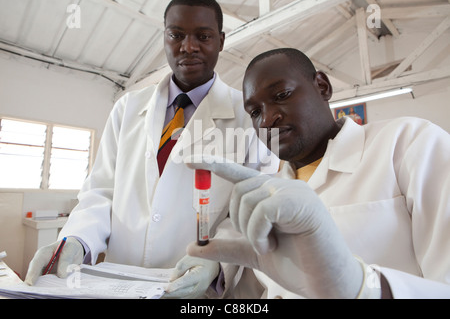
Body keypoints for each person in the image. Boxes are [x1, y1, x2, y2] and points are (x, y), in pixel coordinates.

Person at [24, 0, 278, 299]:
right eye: (176, 34)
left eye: (203, 36)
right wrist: (78, 240)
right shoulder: (127, 108)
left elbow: (253, 206)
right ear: (164, 37)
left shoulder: (250, 115)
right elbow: (100, 192)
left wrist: (217, 259)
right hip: (118, 282)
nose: (188, 47)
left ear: (221, 41)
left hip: (196, 290)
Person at [185, 48, 450, 299]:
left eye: (281, 95)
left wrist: (362, 287)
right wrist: (213, 273)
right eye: (255, 112)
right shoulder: (270, 192)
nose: (266, 120)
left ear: (322, 86)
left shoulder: (408, 144)